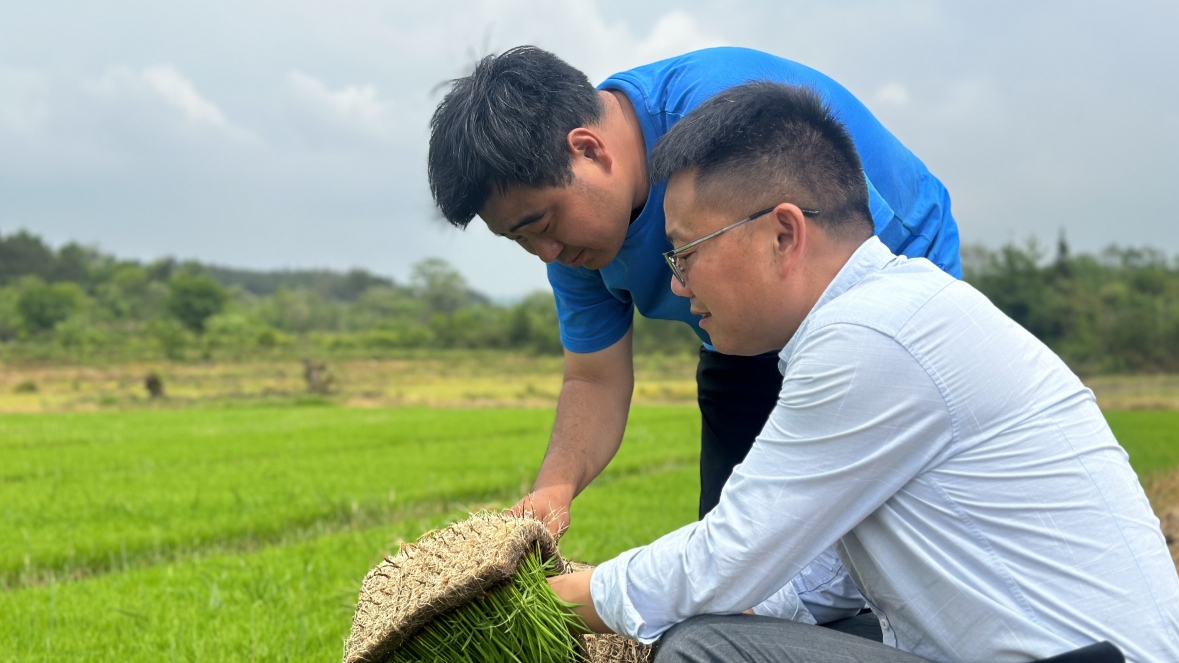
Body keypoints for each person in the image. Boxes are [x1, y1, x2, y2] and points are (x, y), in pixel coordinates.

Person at [545, 82, 1179, 662]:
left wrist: (558, 599)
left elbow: (725, 556)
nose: (678, 285)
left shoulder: (868, 338)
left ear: (783, 235)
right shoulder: (895, 312)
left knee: (706, 651)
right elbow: (833, 574)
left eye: (686, 251)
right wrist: (748, 602)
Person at [428, 45, 958, 532]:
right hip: (739, 337)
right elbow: (593, 379)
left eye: (540, 224)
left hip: (875, 287)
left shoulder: (728, 123)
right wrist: (553, 489)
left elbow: (840, 260)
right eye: (518, 238)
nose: (546, 254)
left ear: (588, 150)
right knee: (736, 544)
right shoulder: (573, 242)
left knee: (868, 537)